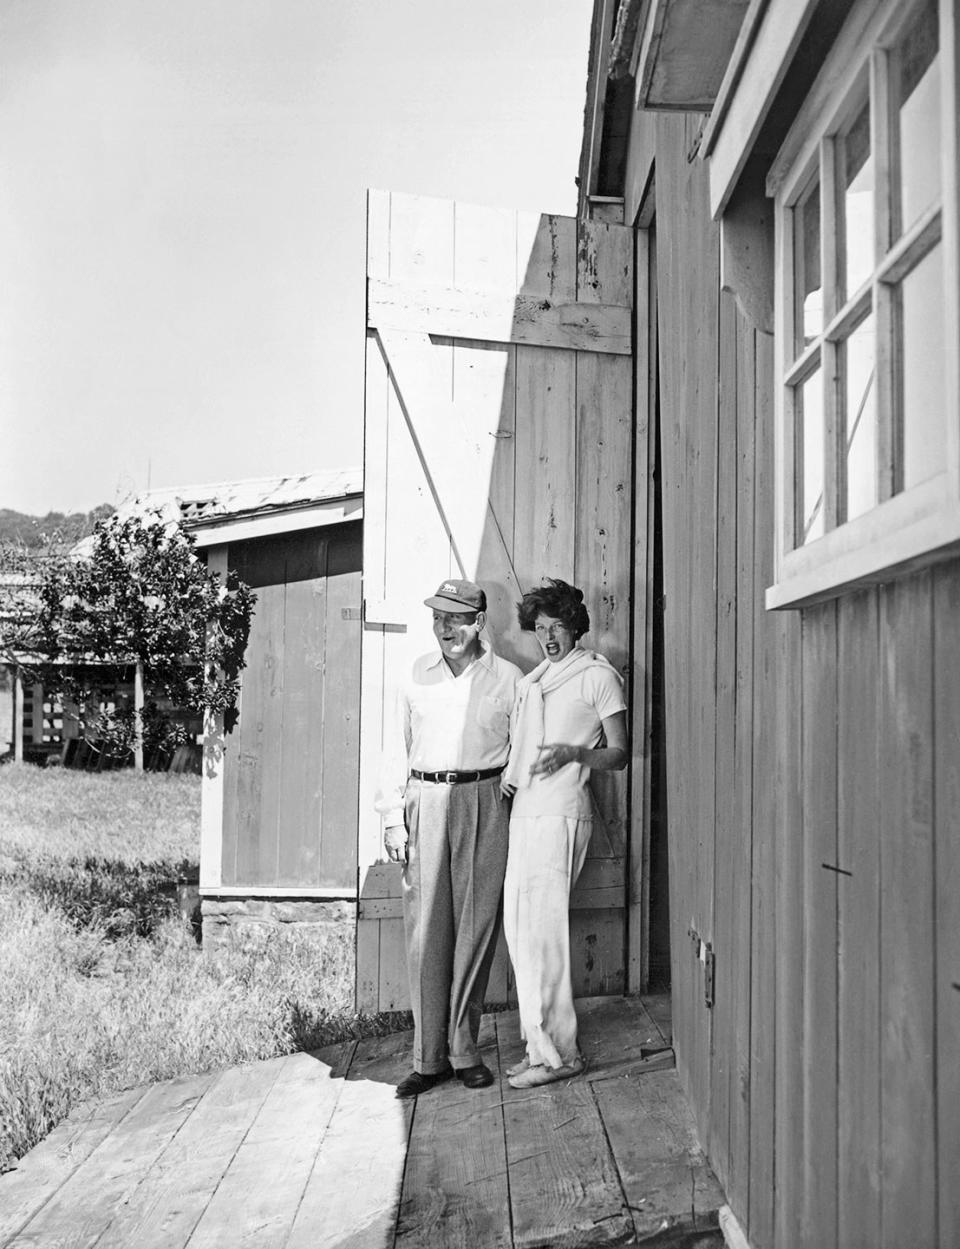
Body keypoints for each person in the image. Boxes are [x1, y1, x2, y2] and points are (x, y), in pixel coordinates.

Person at [377, 578, 522, 1098]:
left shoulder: (508, 679)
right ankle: (428, 1058)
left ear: (478, 622)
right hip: (426, 801)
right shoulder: (416, 675)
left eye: (455, 619)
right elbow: (392, 749)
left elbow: (521, 756)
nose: (445, 629)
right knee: (426, 933)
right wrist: (393, 817)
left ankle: (464, 1049)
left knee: (477, 927)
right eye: (438, 618)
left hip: (486, 800)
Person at [500, 578, 628, 1088]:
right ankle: (539, 1047)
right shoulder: (535, 681)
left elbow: (618, 753)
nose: (548, 637)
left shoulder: (597, 676)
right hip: (527, 811)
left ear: (576, 626)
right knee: (520, 931)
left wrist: (575, 753)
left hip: (562, 813)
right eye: (539, 629)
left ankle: (564, 1054)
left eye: (557, 627)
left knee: (545, 934)